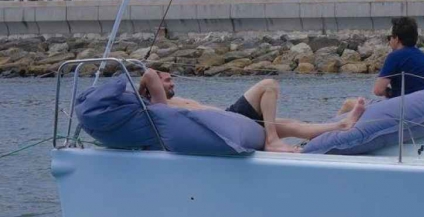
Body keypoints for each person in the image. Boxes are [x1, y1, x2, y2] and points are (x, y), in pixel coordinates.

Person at [138, 69, 365, 154]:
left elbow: (152, 77)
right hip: (231, 119)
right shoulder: (160, 105)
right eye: (167, 81)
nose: (172, 85)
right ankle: (272, 141)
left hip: (232, 118)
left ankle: (341, 124)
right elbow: (148, 73)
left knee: (293, 125)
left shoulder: (175, 100)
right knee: (269, 85)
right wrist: (144, 86)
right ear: (154, 86)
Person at [374, 16, 424, 98]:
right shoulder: (423, 56)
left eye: (390, 37)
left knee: (352, 103)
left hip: (403, 105)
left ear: (397, 39)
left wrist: (389, 93)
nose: (389, 41)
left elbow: (378, 90)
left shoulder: (394, 57)